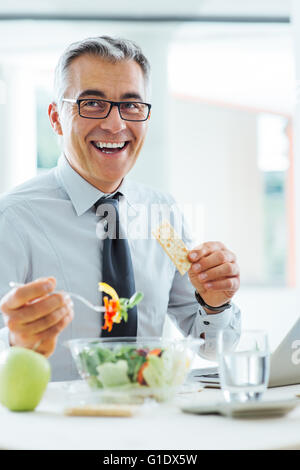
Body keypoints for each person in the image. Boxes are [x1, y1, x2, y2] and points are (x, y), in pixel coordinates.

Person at [0, 36, 241, 381]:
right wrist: (13, 341)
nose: (115, 125)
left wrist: (215, 303)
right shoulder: (13, 220)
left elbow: (213, 347)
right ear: (55, 118)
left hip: (149, 421)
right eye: (93, 104)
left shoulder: (163, 214)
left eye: (131, 106)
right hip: (56, 428)